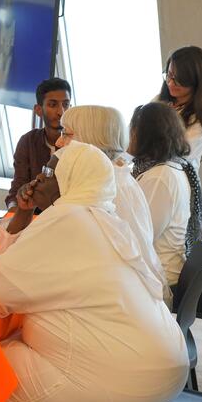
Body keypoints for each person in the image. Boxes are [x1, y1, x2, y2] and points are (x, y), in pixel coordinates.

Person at [0, 141, 189, 402]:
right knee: (15, 350)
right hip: (164, 368)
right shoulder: (106, 218)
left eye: (49, 172)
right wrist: (24, 214)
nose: (38, 178)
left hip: (128, 379)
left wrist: (23, 220)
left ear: (71, 179)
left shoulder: (68, 219)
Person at [53, 105, 171, 303]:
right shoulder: (118, 176)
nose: (58, 142)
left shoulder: (107, 185)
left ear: (89, 139)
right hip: (125, 288)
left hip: (128, 297)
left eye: (66, 134)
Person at [130, 102, 202, 287]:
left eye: (132, 130)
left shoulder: (159, 177)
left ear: (145, 135)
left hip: (160, 278)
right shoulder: (171, 168)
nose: (129, 137)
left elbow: (141, 237)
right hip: (159, 270)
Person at [4, 78, 71, 209]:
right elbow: (17, 189)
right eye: (53, 105)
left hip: (68, 218)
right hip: (34, 217)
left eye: (66, 104)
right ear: (38, 110)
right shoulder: (28, 141)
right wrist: (13, 209)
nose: (61, 112)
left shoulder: (79, 145)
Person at [157, 45, 202, 170]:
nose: (170, 83)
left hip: (175, 178)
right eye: (169, 75)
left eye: (178, 80)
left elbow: (182, 151)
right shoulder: (159, 100)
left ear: (195, 80)